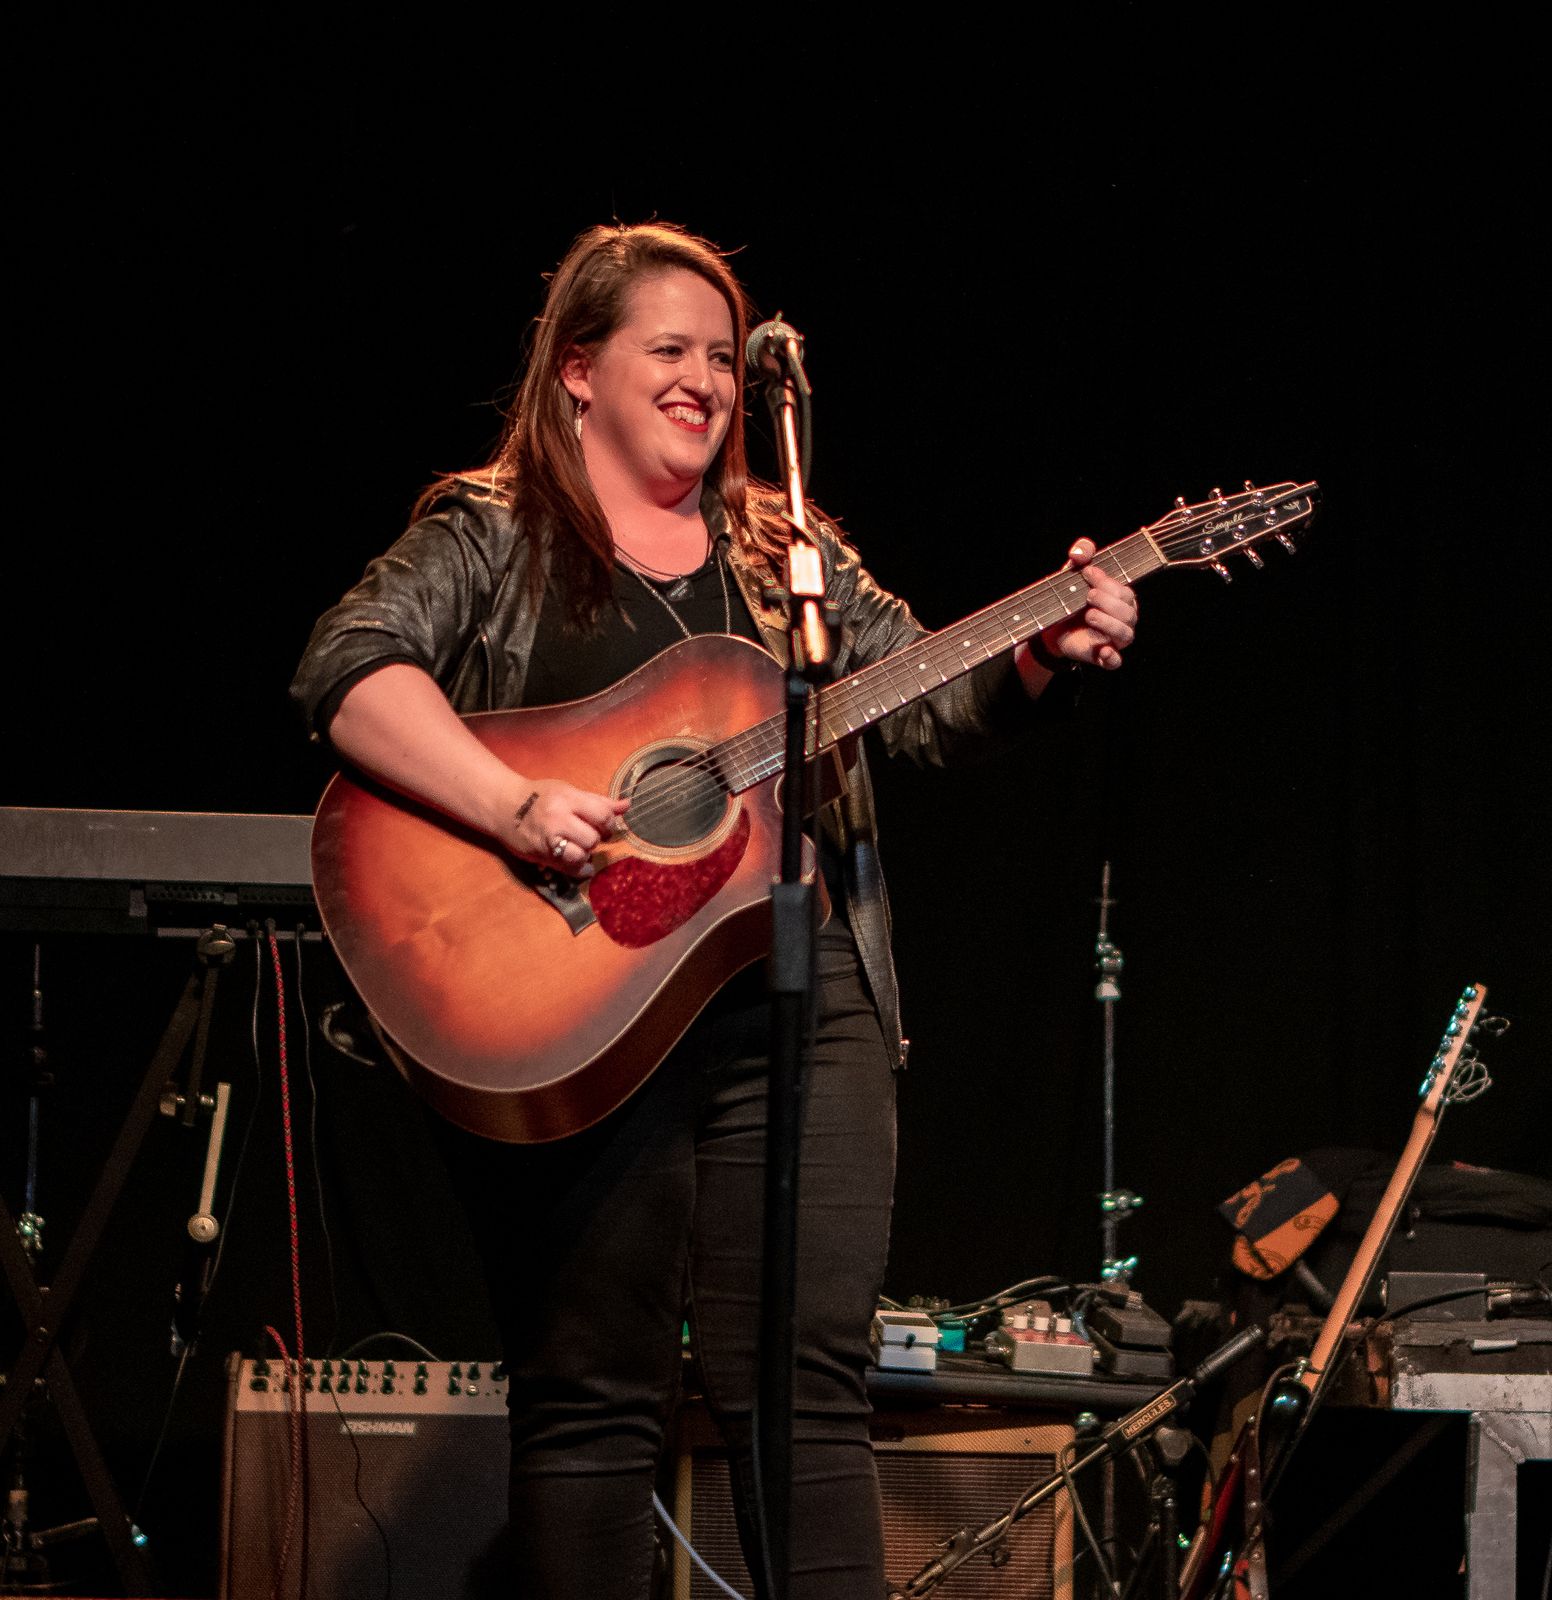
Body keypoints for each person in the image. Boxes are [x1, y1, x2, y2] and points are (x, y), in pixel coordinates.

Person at [291, 222, 1138, 1599]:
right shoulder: (493, 532)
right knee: (592, 1391)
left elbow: (925, 708)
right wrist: (512, 805)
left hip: (801, 1005)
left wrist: (1041, 651)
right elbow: (349, 667)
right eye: (669, 350)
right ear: (578, 370)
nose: (705, 379)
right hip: (578, 1008)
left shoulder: (783, 550)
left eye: (723, 358)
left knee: (807, 1391)